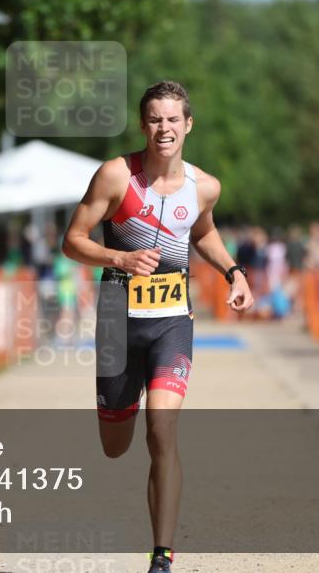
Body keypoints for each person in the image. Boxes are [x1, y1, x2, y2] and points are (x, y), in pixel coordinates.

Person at [62, 81, 254, 573]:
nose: (163, 128)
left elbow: (203, 231)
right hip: (116, 322)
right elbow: (73, 241)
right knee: (115, 446)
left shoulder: (204, 186)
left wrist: (233, 272)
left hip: (172, 322)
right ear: (142, 124)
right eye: (154, 119)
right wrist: (119, 256)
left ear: (188, 124)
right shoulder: (114, 176)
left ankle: (162, 556)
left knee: (162, 428)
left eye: (173, 119)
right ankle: (114, 407)